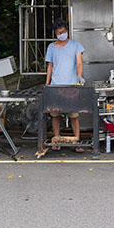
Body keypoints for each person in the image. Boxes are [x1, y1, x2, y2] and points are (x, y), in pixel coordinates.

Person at [44, 20, 86, 151]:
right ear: (55, 33)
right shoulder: (51, 47)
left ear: (67, 31)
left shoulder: (76, 45)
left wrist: (79, 76)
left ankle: (77, 141)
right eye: (58, 32)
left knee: (74, 115)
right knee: (55, 115)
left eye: (63, 31)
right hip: (56, 85)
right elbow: (50, 66)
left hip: (72, 85)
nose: (61, 34)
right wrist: (47, 83)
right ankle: (56, 140)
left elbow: (79, 63)